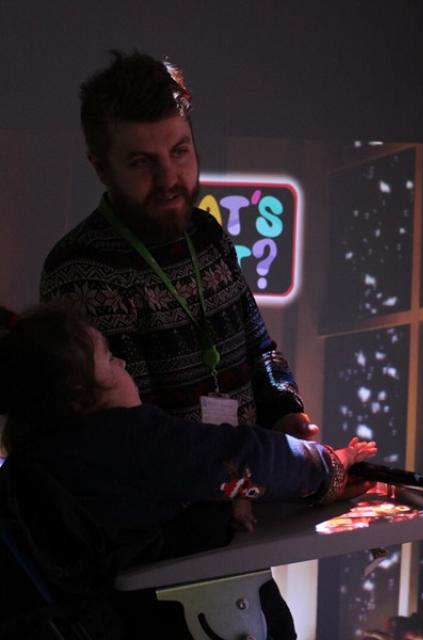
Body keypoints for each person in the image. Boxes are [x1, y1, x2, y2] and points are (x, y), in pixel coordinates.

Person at [0, 305, 376, 638]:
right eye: (110, 358)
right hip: (175, 615)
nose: (124, 364)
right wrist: (328, 465)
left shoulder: (39, 456)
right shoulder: (127, 438)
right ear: (80, 391)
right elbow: (239, 457)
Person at [39, 50, 316, 440]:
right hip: (169, 498)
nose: (169, 177)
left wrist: (285, 412)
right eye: (141, 161)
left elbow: (259, 348)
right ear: (100, 167)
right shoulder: (79, 272)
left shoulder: (208, 234)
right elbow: (140, 438)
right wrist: (283, 465)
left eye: (179, 151)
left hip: (247, 486)